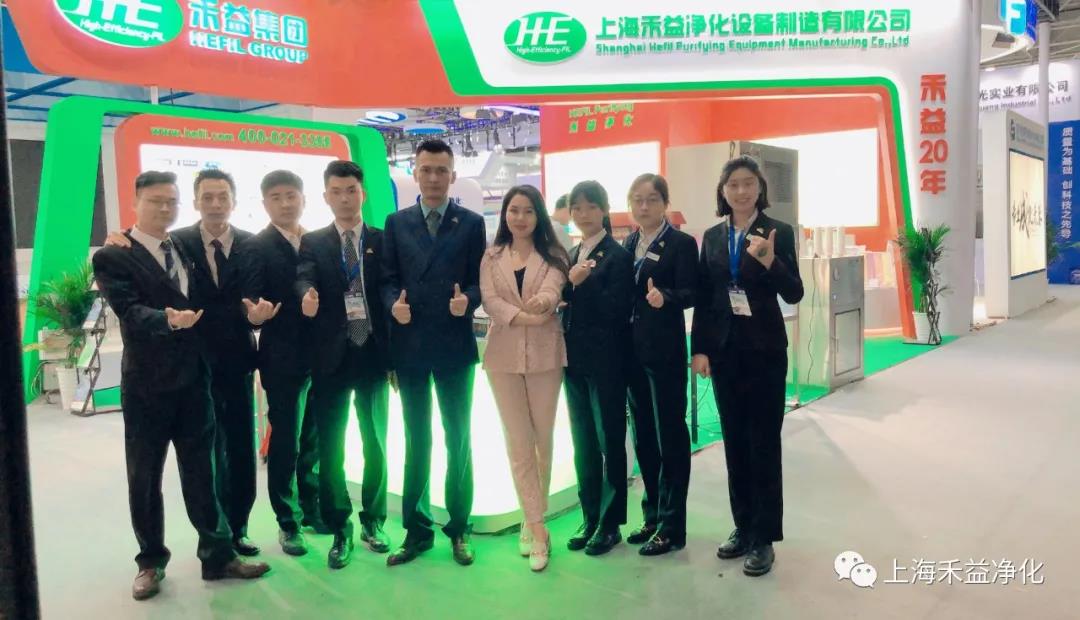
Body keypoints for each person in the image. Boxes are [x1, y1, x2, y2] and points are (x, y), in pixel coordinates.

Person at [92, 171, 269, 601]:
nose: (165, 208)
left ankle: (218, 555)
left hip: (195, 381)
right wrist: (166, 320)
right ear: (136, 202)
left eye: (171, 201)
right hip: (147, 386)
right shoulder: (114, 255)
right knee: (145, 476)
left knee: (202, 472)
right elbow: (129, 310)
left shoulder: (185, 247)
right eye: (156, 201)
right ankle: (150, 562)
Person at [690, 155, 804, 577]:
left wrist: (772, 262)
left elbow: (794, 293)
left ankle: (764, 537)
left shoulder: (779, 232)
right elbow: (706, 296)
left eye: (748, 183)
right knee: (735, 443)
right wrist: (700, 349)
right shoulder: (712, 237)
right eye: (733, 184)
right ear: (723, 191)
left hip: (765, 351)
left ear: (760, 188)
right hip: (725, 353)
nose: (741, 191)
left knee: (763, 443)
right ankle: (742, 526)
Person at [380, 139, 486, 567]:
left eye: (442, 170)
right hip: (409, 345)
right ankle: (417, 530)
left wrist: (469, 301)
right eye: (426, 169)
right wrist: (393, 304)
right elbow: (387, 279)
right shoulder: (396, 223)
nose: (434, 177)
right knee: (415, 438)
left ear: (453, 175)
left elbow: (479, 280)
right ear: (415, 173)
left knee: (458, 438)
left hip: (454, 345)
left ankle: (459, 528)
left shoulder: (471, 223)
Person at [296, 161, 393, 569]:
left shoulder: (382, 240)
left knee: (376, 443)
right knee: (331, 447)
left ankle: (374, 520)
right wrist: (306, 295)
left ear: (362, 194)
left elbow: (391, 286)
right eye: (336, 192)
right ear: (326, 197)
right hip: (331, 359)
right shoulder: (314, 242)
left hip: (372, 354)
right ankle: (340, 527)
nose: (344, 198)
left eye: (351, 190)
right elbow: (304, 276)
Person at [479, 185, 569, 572]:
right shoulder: (491, 256)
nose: (520, 217)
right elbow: (490, 300)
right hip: (502, 357)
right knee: (518, 442)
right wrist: (525, 317)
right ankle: (537, 528)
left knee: (541, 441)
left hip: (546, 357)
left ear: (538, 216)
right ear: (505, 214)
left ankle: (532, 516)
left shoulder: (553, 255)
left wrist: (543, 303)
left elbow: (552, 290)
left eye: (528, 211)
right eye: (513, 210)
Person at [236, 170, 323, 559]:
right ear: (265, 204)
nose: (285, 203)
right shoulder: (257, 246)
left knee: (315, 438)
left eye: (291, 195)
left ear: (304, 198)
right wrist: (255, 314)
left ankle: (311, 509)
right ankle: (288, 522)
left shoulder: (317, 241)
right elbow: (251, 297)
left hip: (323, 356)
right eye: (276, 197)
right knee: (286, 441)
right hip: (283, 358)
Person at [621, 173, 698, 557]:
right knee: (644, 438)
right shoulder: (628, 243)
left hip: (664, 353)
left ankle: (672, 526)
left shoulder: (681, 244)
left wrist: (665, 297)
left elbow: (693, 291)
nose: (644, 206)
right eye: (637, 199)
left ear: (665, 203)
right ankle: (651, 515)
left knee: (670, 436)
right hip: (632, 353)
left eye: (652, 199)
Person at [561, 180, 634, 557]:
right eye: (577, 207)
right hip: (573, 361)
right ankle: (589, 515)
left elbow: (617, 310)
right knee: (583, 442)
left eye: (591, 206)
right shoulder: (572, 253)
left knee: (610, 441)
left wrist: (582, 285)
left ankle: (610, 523)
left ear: (604, 210)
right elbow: (565, 300)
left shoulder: (617, 256)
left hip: (606, 362)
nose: (584, 214)